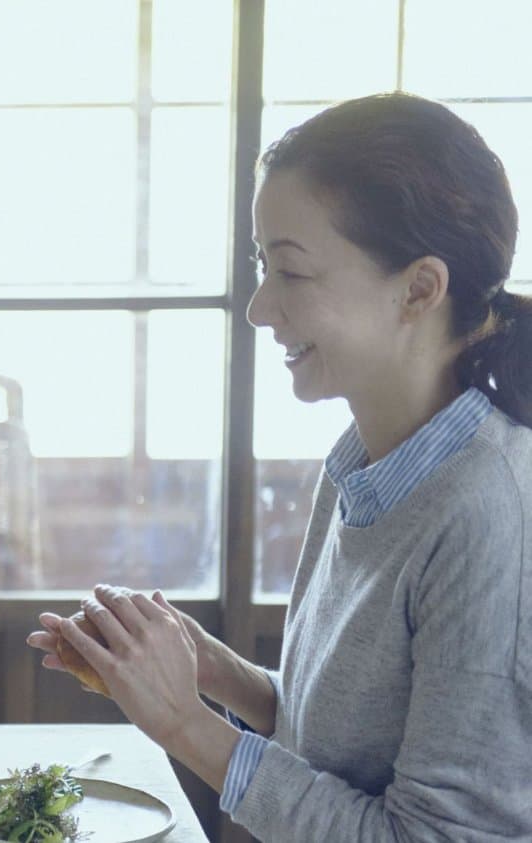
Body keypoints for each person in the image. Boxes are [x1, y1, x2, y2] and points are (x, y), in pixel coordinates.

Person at [28, 92, 532, 840]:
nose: (259, 307)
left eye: (292, 272)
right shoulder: (365, 457)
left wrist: (180, 720)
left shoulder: (491, 514)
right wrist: (205, 668)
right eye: (262, 265)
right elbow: (351, 746)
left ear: (420, 289)